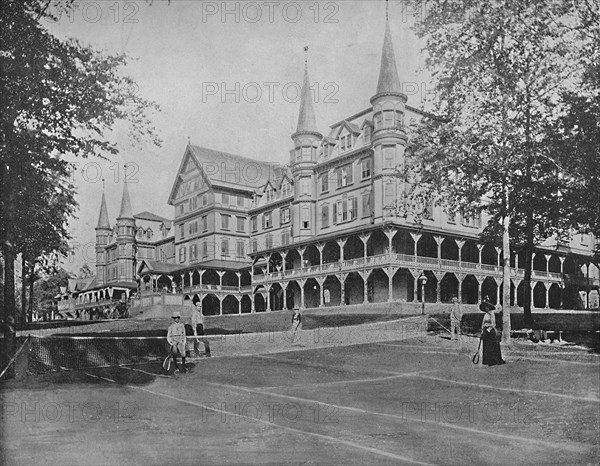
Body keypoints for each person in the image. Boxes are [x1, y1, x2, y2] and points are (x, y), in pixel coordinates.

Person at [479, 296, 505, 366]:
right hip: (486, 332)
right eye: (485, 307)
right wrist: (482, 331)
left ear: (489, 307)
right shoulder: (485, 315)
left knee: (492, 346)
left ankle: (493, 360)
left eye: (487, 307)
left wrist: (489, 328)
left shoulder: (492, 314)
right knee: (486, 346)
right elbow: (483, 323)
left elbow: (493, 324)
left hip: (491, 332)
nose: (486, 308)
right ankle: (487, 360)